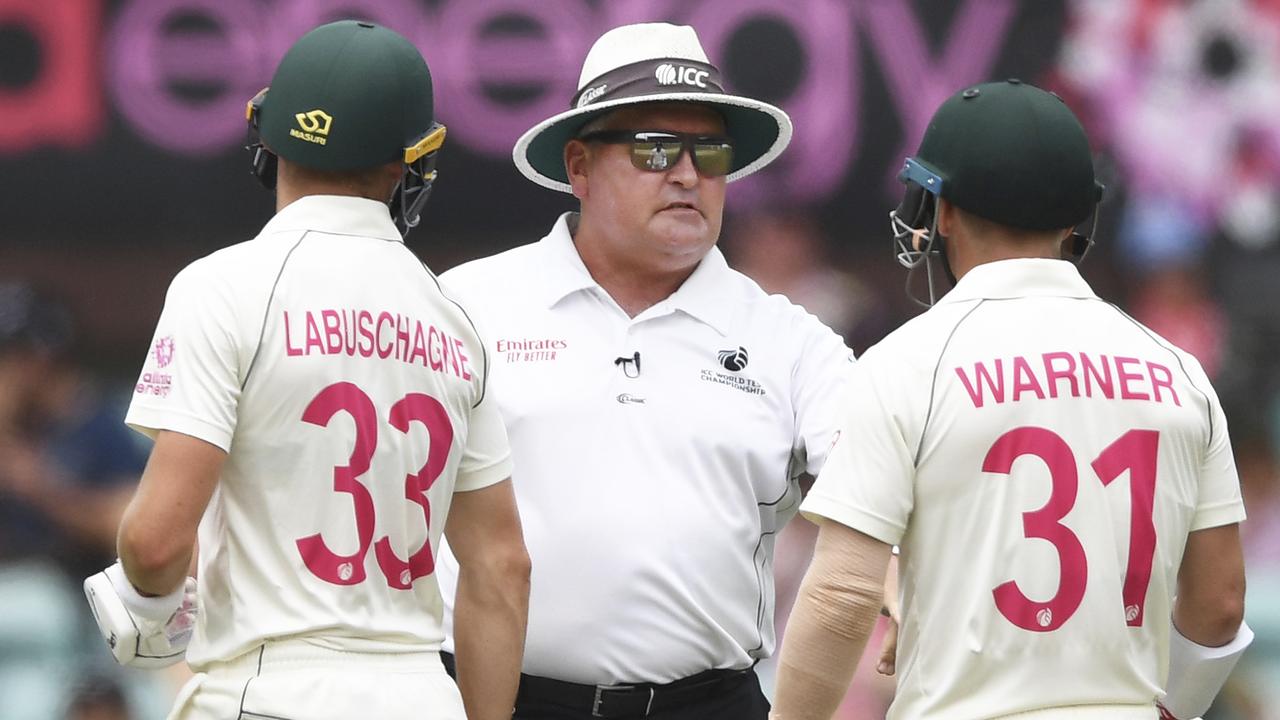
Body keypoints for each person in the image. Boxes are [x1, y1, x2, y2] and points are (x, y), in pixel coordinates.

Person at [82, 20, 530, 720]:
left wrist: (147, 600)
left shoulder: (223, 286)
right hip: (419, 692)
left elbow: (155, 540)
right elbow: (503, 569)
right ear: (404, 163)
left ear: (269, 144)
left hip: (268, 689)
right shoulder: (453, 319)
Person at [771, 80, 1252, 720]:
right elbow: (1220, 602)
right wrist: (1174, 710)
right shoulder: (1178, 370)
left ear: (941, 211)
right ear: (1078, 220)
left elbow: (840, 597)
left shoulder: (907, 364)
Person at [434, 22, 853, 719]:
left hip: (711, 705)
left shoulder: (791, 339)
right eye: (655, 148)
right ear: (579, 166)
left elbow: (884, 501)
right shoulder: (466, 304)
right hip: (487, 701)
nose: (688, 174)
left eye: (710, 152)